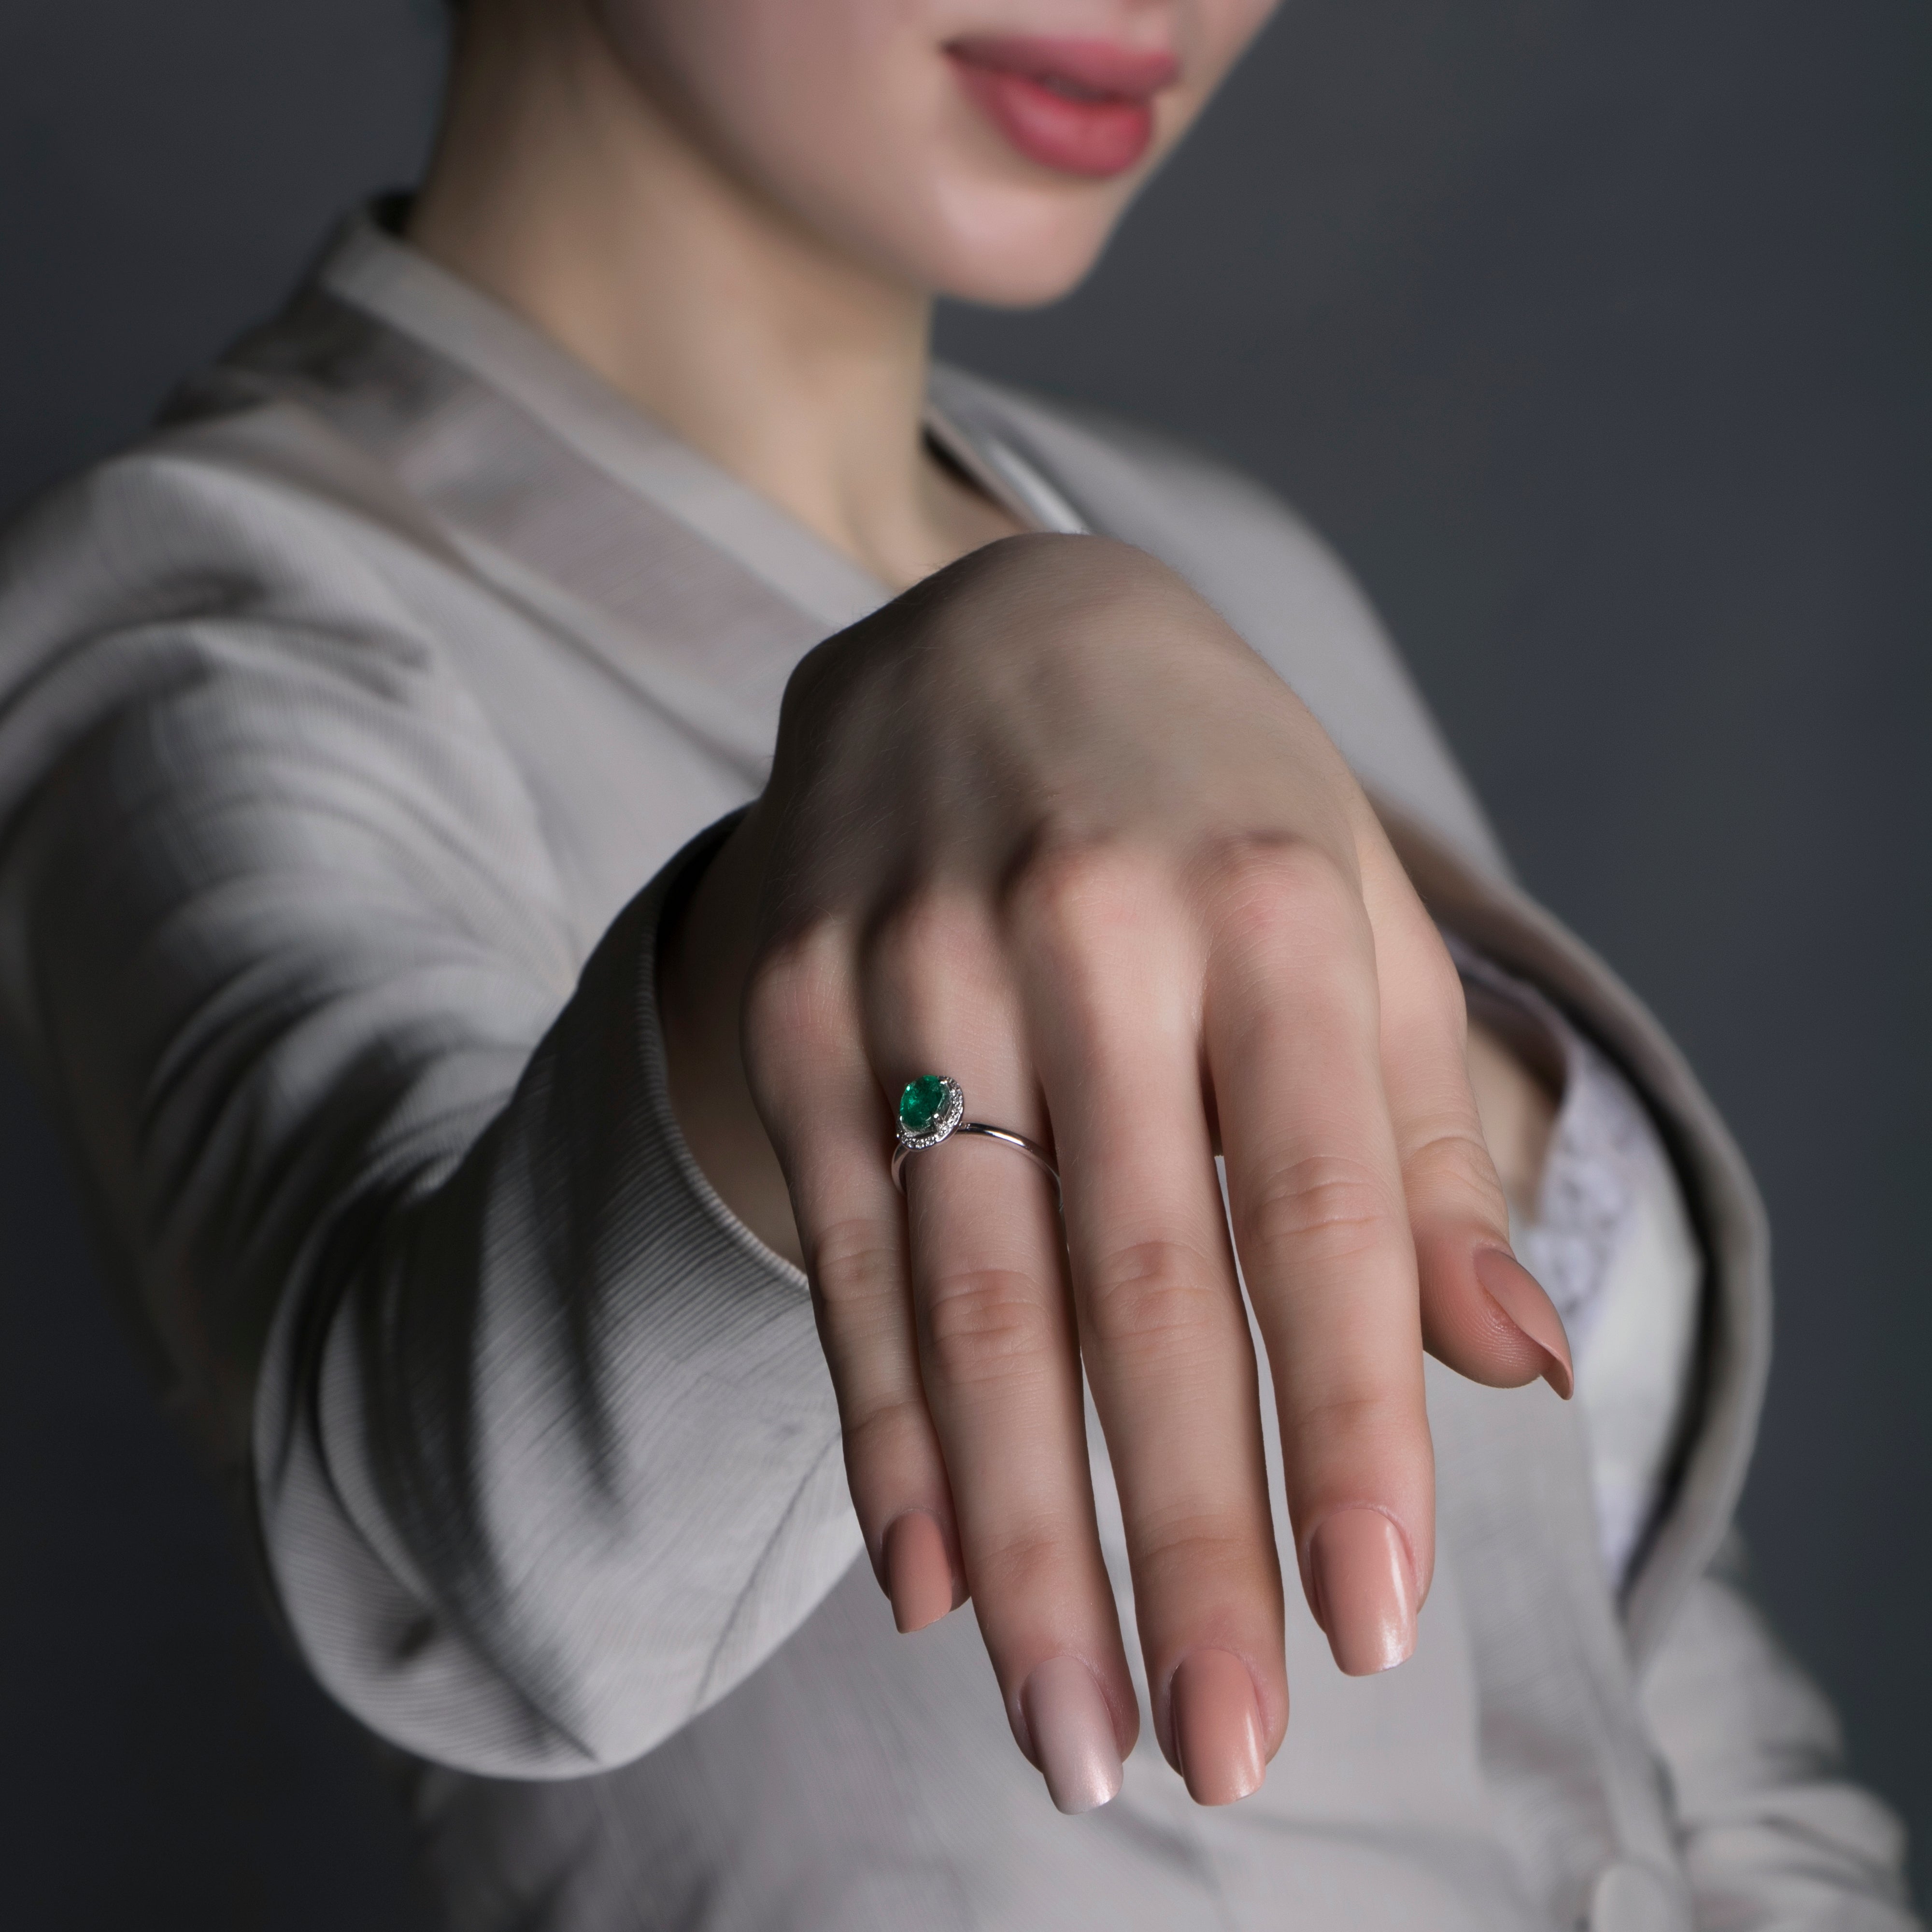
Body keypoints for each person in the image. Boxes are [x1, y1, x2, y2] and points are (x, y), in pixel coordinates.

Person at [0, 1, 1914, 1927]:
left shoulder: (1229, 575)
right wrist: (857, 988)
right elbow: (468, 1558)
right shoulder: (223, 618)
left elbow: (1645, 1682)